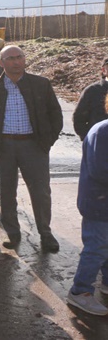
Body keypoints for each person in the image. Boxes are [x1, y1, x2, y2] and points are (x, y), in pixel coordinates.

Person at [0, 45, 63, 252]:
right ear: (1, 63)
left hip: (33, 145)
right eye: (10, 58)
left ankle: (45, 233)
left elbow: (56, 116)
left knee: (41, 192)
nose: (16, 62)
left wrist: (46, 142)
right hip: (4, 147)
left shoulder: (40, 84)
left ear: (25, 60)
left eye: (20, 57)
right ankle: (13, 233)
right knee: (7, 192)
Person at [66, 105, 108, 316]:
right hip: (99, 203)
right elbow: (101, 170)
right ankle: (79, 292)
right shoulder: (102, 131)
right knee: (97, 247)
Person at [73, 57, 108, 141]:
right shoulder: (92, 91)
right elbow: (79, 118)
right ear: (104, 70)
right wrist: (88, 139)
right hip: (100, 143)